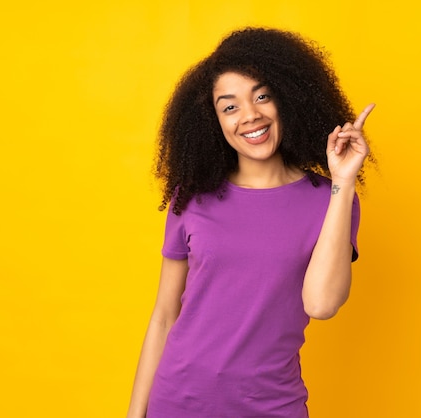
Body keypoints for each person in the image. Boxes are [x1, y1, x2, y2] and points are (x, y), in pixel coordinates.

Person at [127, 27, 375, 418]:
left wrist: (343, 181)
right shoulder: (191, 197)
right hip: (178, 401)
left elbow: (322, 304)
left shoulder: (328, 200)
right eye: (230, 107)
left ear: (287, 100)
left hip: (271, 405)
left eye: (262, 96)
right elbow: (163, 316)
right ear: (213, 122)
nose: (250, 115)